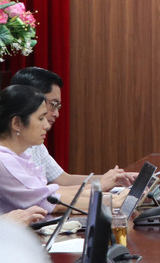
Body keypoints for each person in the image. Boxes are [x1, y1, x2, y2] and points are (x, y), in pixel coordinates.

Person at [0, 85, 127, 214]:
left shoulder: (18, 155)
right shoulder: (4, 161)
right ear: (17, 123)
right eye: (40, 118)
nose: (46, 125)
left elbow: (51, 192)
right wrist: (110, 201)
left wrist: (102, 193)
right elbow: (49, 202)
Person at [11, 67, 136, 190]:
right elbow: (43, 195)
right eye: (53, 105)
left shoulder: (34, 142)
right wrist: (101, 187)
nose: (56, 114)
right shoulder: (7, 154)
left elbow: (63, 180)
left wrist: (114, 179)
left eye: (58, 107)